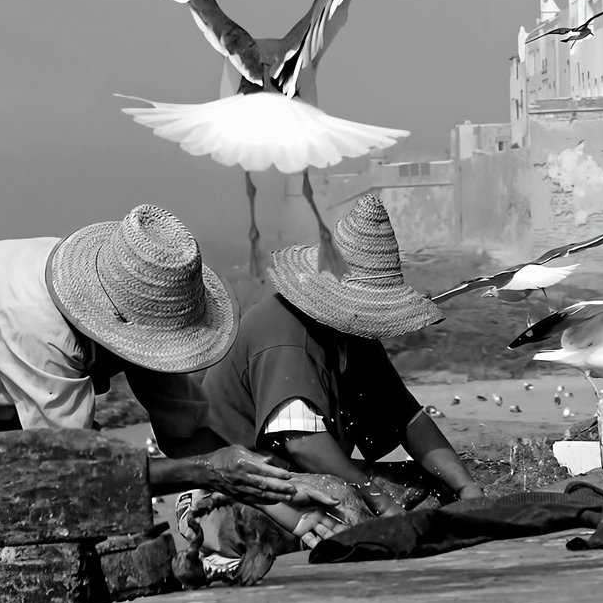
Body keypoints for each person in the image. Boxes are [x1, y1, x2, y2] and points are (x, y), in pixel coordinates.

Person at [0, 202, 340, 522]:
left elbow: (188, 435)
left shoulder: (137, 302)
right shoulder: (37, 322)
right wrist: (204, 471)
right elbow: (73, 467)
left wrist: (292, 508)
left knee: (5, 504)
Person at [184, 193, 484, 579]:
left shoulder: (354, 337)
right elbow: (305, 446)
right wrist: (378, 497)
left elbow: (410, 420)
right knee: (354, 511)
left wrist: (467, 489)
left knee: (434, 487)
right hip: (236, 488)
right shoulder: (285, 336)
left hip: (302, 476)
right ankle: (219, 549)